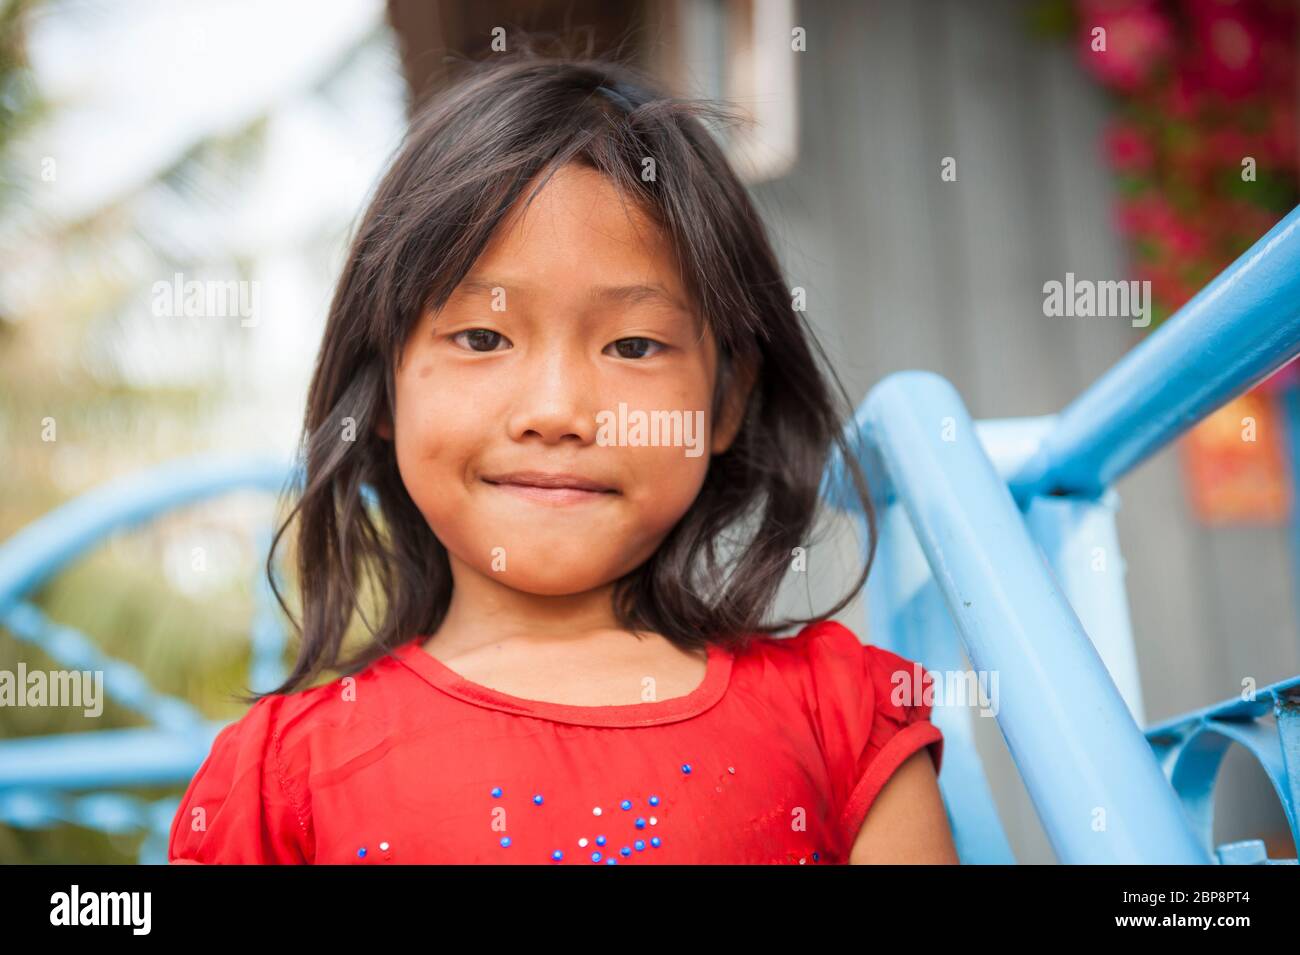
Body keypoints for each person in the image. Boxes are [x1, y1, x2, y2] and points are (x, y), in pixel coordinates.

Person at [167, 51, 956, 865]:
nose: (556, 412)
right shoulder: (280, 781)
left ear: (723, 402)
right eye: (482, 337)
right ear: (384, 389)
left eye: (634, 344)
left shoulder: (845, 719)